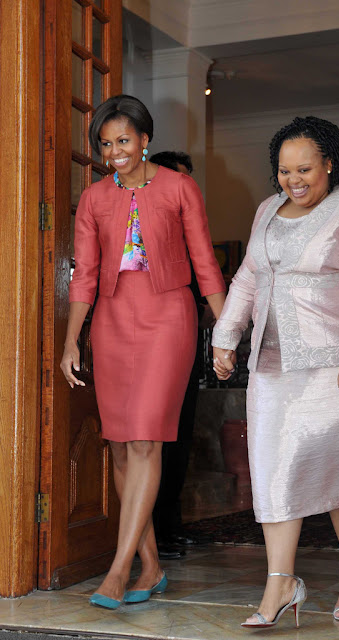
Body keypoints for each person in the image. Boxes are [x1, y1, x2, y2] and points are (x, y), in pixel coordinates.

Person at [212, 116, 339, 629]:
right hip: (272, 364)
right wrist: (226, 335)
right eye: (285, 170)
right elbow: (248, 276)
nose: (294, 180)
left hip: (337, 366)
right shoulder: (267, 210)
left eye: (305, 169)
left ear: (329, 163)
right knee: (273, 470)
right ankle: (280, 581)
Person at [60, 95, 226, 609]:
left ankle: (118, 570)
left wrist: (225, 327)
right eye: (106, 144)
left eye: (124, 140)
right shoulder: (94, 199)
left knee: (146, 440)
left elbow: (204, 260)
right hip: (111, 321)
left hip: (168, 318)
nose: (114, 152)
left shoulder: (179, 187)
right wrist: (72, 339)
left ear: (145, 140)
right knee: (118, 444)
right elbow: (85, 274)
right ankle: (151, 567)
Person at [150, 150, 214, 557]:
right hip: (152, 345)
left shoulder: (189, 234)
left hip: (186, 345)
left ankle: (170, 526)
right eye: (180, 180)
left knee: (181, 436)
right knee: (155, 439)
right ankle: (152, 533)